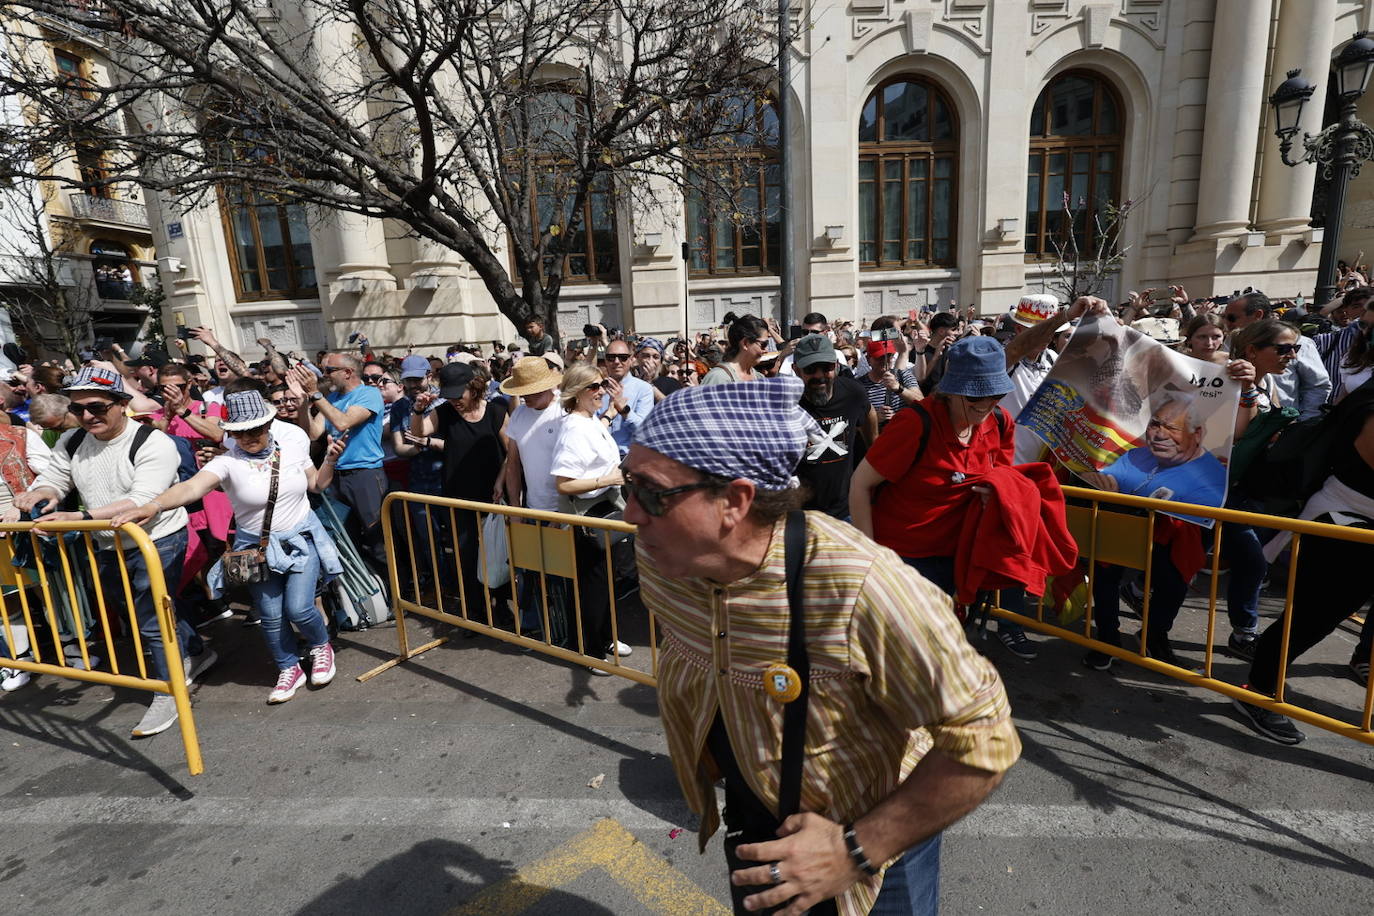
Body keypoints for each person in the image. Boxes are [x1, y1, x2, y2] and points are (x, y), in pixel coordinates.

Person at [626, 374, 1019, 914]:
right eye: (628, 485)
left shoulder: (861, 587)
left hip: (874, 852)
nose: (630, 512)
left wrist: (855, 850)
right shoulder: (663, 561)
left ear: (736, 501)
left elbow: (986, 740)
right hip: (756, 834)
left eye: (652, 493)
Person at [7, 367, 213, 737]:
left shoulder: (153, 442)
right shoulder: (71, 440)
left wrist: (80, 515)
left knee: (149, 618)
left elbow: (141, 501)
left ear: (122, 404)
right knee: (144, 609)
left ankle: (169, 691)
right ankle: (194, 650)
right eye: (79, 408)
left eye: (98, 407)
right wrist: (43, 492)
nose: (87, 416)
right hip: (107, 541)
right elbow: (56, 478)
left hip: (157, 539)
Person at [112, 390, 342, 704]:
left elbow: (316, 484)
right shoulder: (227, 462)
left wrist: (329, 460)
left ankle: (320, 646)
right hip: (252, 548)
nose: (247, 437)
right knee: (271, 616)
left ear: (269, 424)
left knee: (300, 608)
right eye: (239, 431)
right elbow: (192, 487)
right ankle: (288, 667)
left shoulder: (293, 443)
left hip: (299, 539)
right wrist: (153, 506)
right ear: (230, 432)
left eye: (255, 429)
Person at [850, 335, 1041, 662]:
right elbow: (860, 485)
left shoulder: (999, 421)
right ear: (951, 391)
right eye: (974, 395)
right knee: (907, 653)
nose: (985, 403)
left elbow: (1003, 474)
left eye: (994, 394)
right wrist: (874, 560)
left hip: (958, 556)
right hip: (905, 559)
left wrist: (994, 492)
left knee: (937, 652)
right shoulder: (915, 423)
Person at [1232, 380, 1374, 744]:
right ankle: (1258, 690)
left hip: (1353, 523)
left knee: (1316, 615)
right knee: (1313, 616)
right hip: (1345, 522)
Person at [410, 362, 509, 615]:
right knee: (466, 555)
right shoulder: (444, 412)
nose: (454, 400)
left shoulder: (497, 411)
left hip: (494, 496)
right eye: (449, 395)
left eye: (458, 394)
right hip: (458, 497)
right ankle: (475, 611)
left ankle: (501, 607)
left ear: (473, 387)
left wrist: (500, 480)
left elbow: (512, 453)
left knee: (496, 552)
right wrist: (418, 410)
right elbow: (419, 432)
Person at [548, 361, 630, 670]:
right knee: (593, 586)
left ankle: (605, 639)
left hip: (603, 511)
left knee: (607, 582)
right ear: (577, 393)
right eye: (594, 387)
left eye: (603, 384)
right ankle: (591, 651)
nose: (601, 391)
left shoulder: (590, 419)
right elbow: (563, 483)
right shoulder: (574, 428)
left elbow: (600, 431)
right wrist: (607, 480)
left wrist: (611, 410)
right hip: (588, 518)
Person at [290, 353, 389, 578]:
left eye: (329, 370)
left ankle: (395, 595)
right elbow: (314, 433)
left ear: (347, 372)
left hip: (365, 475)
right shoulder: (331, 398)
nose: (324, 376)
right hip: (336, 476)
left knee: (378, 540)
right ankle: (369, 596)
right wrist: (305, 403)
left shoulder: (369, 394)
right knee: (347, 538)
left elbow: (343, 422)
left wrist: (316, 393)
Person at [499, 356, 567, 636]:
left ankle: (571, 631)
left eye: (530, 391)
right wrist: (515, 508)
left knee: (565, 576)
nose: (525, 397)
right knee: (531, 571)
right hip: (532, 508)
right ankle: (535, 627)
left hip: (566, 510)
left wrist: (564, 511)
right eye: (521, 392)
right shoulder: (518, 415)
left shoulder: (566, 410)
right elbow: (512, 463)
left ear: (548, 386)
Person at [1080, 395, 1227, 512]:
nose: (1160, 435)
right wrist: (1088, 479)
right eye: (1155, 425)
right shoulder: (1135, 456)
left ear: (1196, 434)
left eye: (1172, 428)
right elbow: (1103, 481)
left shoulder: (1211, 481)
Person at [792, 334, 876, 520]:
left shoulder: (853, 393)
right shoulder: (786, 403)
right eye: (811, 369)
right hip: (802, 514)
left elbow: (869, 413)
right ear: (797, 370)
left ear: (836, 366)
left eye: (827, 368)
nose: (820, 375)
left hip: (846, 510)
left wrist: (873, 446)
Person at [1223, 292, 1330, 420]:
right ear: (1251, 351)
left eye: (1295, 348)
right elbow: (1239, 431)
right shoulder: (1227, 359)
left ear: (1258, 315)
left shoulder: (1268, 380)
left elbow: (1317, 386)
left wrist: (1300, 424)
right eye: (1284, 349)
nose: (1292, 355)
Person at [600, 338, 655, 456]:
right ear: (605, 360)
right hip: (600, 457)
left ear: (631, 360)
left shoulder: (644, 389)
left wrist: (624, 410)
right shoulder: (598, 387)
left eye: (623, 357)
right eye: (611, 357)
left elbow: (645, 432)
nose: (616, 361)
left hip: (629, 459)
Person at [857, 335, 920, 428]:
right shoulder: (859, 385)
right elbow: (855, 421)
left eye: (889, 356)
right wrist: (874, 418)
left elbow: (921, 402)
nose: (885, 360)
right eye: (879, 357)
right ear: (868, 360)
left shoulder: (903, 375)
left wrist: (899, 388)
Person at [701, 313, 771, 385]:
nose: (766, 350)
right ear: (745, 343)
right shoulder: (718, 378)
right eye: (763, 344)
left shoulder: (759, 378)